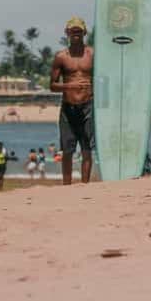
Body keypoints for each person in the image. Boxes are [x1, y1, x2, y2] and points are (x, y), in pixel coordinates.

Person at [50, 17, 94, 185]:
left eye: (79, 31)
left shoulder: (92, 54)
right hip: (68, 108)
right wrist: (70, 86)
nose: (76, 33)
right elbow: (52, 86)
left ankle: (85, 186)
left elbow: (102, 78)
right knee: (67, 150)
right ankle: (66, 186)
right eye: (72, 31)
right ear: (67, 33)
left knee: (87, 149)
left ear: (84, 32)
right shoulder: (61, 57)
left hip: (88, 106)